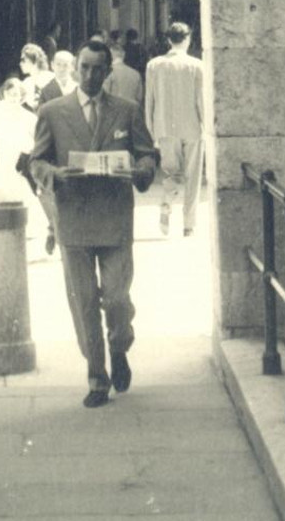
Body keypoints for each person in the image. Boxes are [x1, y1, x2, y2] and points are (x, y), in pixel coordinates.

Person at [30, 38, 158, 408]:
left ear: (107, 72)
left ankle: (119, 347)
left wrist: (140, 170)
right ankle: (97, 377)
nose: (89, 75)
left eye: (96, 69)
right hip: (74, 220)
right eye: (84, 67)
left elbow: (148, 154)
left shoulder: (127, 110)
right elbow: (36, 161)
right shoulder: (53, 111)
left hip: (115, 218)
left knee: (117, 299)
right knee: (84, 303)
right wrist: (55, 174)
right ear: (76, 68)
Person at [145, 22, 205, 238]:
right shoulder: (197, 65)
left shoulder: (154, 65)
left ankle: (166, 203)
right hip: (192, 127)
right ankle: (189, 225)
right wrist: (205, 126)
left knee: (172, 172)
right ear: (188, 39)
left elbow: (149, 100)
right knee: (193, 176)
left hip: (165, 126)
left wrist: (151, 130)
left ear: (169, 40)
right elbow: (201, 100)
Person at [0, 77, 47, 252]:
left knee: (22, 192)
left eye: (17, 94)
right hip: (3, 158)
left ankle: (26, 226)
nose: (13, 98)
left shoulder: (29, 117)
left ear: (22, 96)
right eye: (10, 94)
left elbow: (38, 140)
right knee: (2, 191)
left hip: (20, 160)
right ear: (4, 94)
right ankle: (6, 225)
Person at [104, 41, 144, 108]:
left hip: (114, 111)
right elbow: (139, 97)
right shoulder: (136, 74)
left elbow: (105, 94)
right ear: (124, 55)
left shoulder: (109, 73)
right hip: (132, 111)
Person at [18, 43, 52, 112]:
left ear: (34, 60)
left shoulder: (51, 78)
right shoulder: (26, 83)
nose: (20, 64)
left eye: (23, 60)